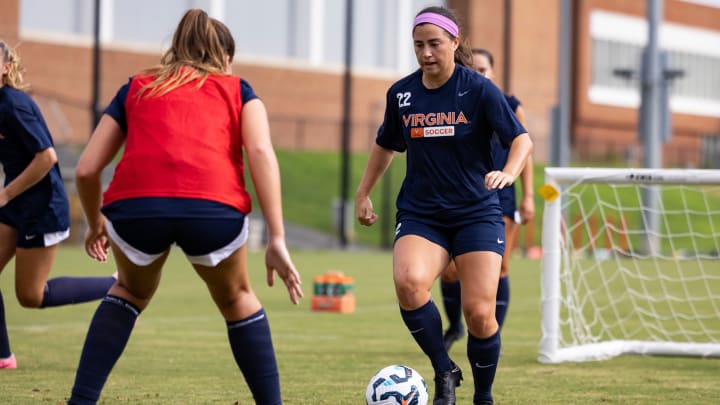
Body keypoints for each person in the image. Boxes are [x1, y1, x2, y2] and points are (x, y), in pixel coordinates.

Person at [67, 9, 303, 405]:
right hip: (213, 208)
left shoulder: (135, 87)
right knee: (236, 298)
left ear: (175, 49)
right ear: (225, 58)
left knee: (128, 291)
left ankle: (81, 400)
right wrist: (277, 237)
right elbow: (260, 151)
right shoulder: (238, 89)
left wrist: (94, 224)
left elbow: (88, 169)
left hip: (136, 209)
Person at [355, 6, 532, 405]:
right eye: (419, 45)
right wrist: (363, 192)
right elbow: (386, 144)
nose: (426, 53)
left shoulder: (480, 90)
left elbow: (522, 140)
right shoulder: (401, 93)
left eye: (435, 43)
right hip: (423, 213)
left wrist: (509, 172)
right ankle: (443, 369)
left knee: (479, 314)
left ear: (455, 42)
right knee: (409, 283)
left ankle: (483, 396)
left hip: (476, 213)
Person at [0, 40, 116, 370]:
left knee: (30, 296)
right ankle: (3, 356)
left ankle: (115, 285)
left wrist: (6, 193)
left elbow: (46, 157)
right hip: (14, 204)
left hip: (41, 208)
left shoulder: (13, 105)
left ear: (6, 67)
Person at [440, 48, 535, 351]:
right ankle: (454, 326)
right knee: (450, 269)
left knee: (502, 265)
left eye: (484, 70)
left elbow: (525, 150)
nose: (479, 75)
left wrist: (529, 195)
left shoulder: (508, 105)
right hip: (462, 193)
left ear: (493, 72)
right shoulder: (454, 102)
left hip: (501, 192)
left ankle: (493, 333)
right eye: (474, 70)